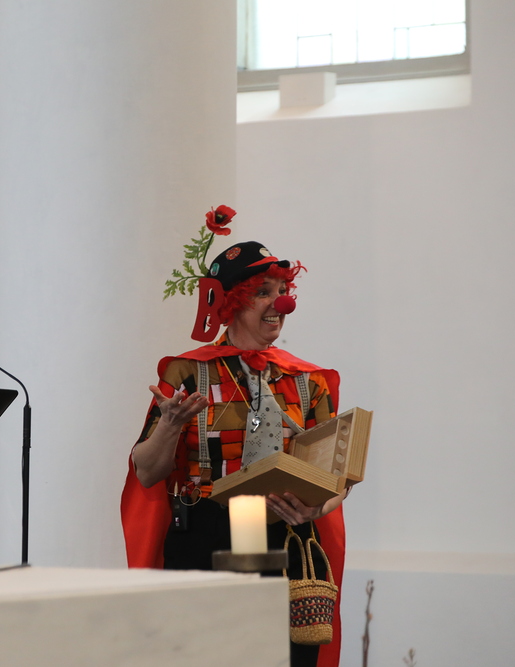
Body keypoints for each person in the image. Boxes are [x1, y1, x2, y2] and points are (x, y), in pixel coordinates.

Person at [121, 207, 346, 667]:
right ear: (231, 303)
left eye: (282, 291)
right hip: (206, 537)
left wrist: (315, 507)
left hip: (286, 539)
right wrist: (170, 425)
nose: (280, 303)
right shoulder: (188, 373)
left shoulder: (309, 382)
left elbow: (333, 479)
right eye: (263, 292)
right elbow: (147, 472)